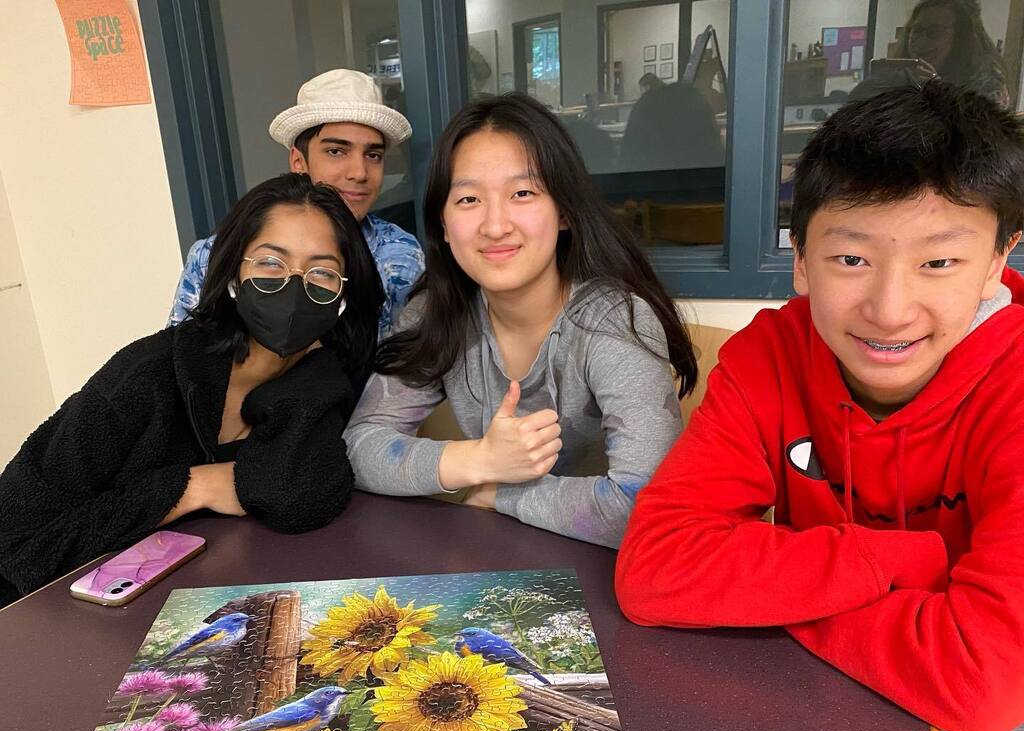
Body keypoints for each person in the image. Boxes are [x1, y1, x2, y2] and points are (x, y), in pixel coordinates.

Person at [615, 81, 1024, 731]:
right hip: (838, 676)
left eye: (939, 260)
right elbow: (654, 569)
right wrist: (906, 562)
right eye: (850, 257)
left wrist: (765, 592)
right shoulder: (769, 354)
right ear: (800, 260)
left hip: (990, 706)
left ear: (998, 260)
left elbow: (981, 679)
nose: (890, 307)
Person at [0, 173, 384, 607]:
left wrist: (305, 384)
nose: (295, 287)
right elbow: (16, 541)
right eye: (270, 263)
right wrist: (189, 488)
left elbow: (303, 497)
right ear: (234, 275)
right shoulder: (145, 376)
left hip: (177, 607)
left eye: (322, 272)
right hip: (36, 615)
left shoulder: (319, 377)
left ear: (343, 296)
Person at [344, 92, 697, 548]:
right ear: (444, 226)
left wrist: (499, 495)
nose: (495, 225)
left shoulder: (612, 320)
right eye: (469, 199)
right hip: (496, 555)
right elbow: (358, 448)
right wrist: (481, 460)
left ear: (564, 211)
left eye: (523, 193)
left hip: (603, 573)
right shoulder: (437, 312)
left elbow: (649, 508)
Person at [167, 69, 422, 340]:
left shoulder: (399, 255)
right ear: (299, 162)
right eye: (336, 151)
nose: (359, 172)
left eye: (373, 155)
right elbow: (182, 357)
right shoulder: (216, 256)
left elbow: (412, 360)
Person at [854, 0, 1008, 106]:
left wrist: (942, 95)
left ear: (961, 39)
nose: (920, 41)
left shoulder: (988, 87)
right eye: (916, 31)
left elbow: (981, 141)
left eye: (935, 32)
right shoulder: (899, 80)